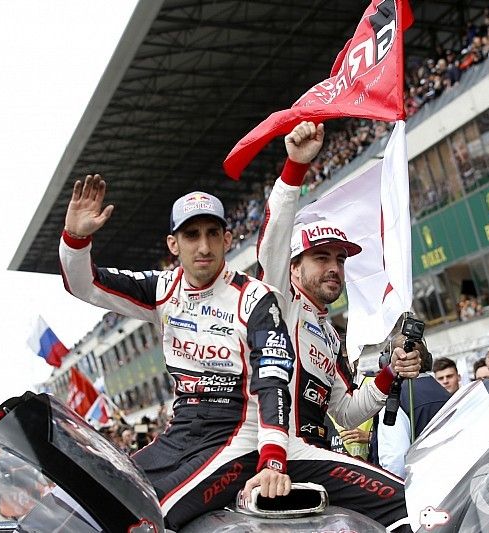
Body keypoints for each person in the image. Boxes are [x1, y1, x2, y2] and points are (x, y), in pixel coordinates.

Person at [59, 176, 296, 528]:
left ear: (227, 239)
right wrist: (76, 240)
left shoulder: (256, 297)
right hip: (179, 433)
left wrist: (273, 456)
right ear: (173, 244)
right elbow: (84, 285)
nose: (203, 246)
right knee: (100, 496)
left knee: (151, 517)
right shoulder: (161, 289)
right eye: (191, 235)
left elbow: (274, 378)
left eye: (212, 233)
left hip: (235, 437)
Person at [255, 121, 420, 529]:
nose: (334, 269)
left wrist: (389, 374)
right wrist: (295, 167)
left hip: (314, 452)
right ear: (293, 267)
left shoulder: (330, 335)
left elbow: (346, 413)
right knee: (404, 501)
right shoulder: (279, 302)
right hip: (276, 454)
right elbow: (273, 239)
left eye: (341, 261)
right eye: (322, 258)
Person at [376, 336, 451, 478]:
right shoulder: (446, 394)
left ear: (387, 361)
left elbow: (395, 462)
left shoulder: (395, 397)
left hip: (416, 490)